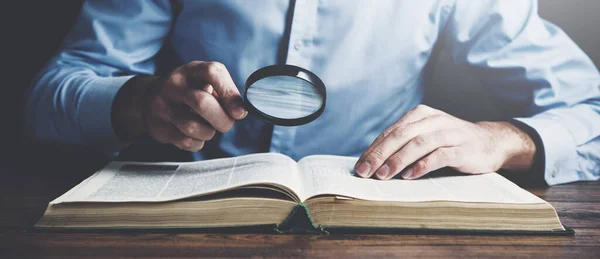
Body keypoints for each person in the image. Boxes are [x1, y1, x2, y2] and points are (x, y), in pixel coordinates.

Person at [25, 0, 599, 185]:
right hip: (189, 213)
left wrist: (505, 139)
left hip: (377, 218)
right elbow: (48, 98)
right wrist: (137, 101)